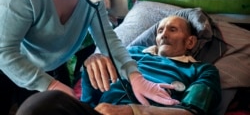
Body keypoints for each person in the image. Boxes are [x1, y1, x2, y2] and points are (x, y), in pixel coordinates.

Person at [0, 0, 178, 114]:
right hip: (14, 66)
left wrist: (135, 76)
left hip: (55, 65)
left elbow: (108, 39)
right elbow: (4, 51)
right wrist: (49, 84)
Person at [16, 15, 221, 115]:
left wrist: (132, 111)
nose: (163, 34)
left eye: (173, 29)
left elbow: (192, 112)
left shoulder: (202, 70)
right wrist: (91, 65)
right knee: (38, 105)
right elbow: (89, 100)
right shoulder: (129, 54)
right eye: (159, 31)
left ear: (191, 42)